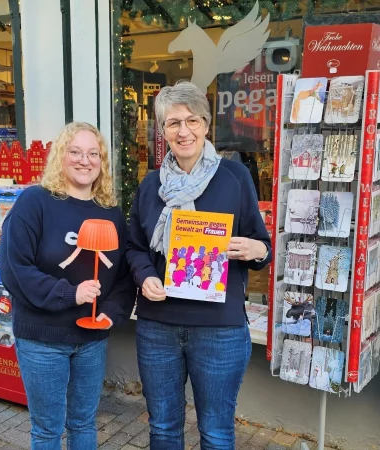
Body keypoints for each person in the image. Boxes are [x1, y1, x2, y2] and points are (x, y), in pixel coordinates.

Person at [127, 80, 272, 449]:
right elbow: (135, 247)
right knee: (162, 428)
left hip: (219, 330)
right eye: (173, 123)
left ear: (207, 125)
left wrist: (254, 249)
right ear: (163, 132)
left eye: (192, 121)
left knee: (217, 431)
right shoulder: (150, 186)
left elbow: (263, 248)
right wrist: (144, 277)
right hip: (158, 326)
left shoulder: (235, 178)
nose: (184, 130)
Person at [0, 122, 136, 449]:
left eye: (93, 154)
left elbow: (123, 276)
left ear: (101, 161)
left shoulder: (112, 214)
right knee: (48, 430)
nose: (84, 160)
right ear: (61, 157)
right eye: (75, 152)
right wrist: (70, 293)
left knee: (83, 424)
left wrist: (111, 313)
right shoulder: (35, 202)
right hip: (42, 338)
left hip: (91, 340)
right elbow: (15, 268)